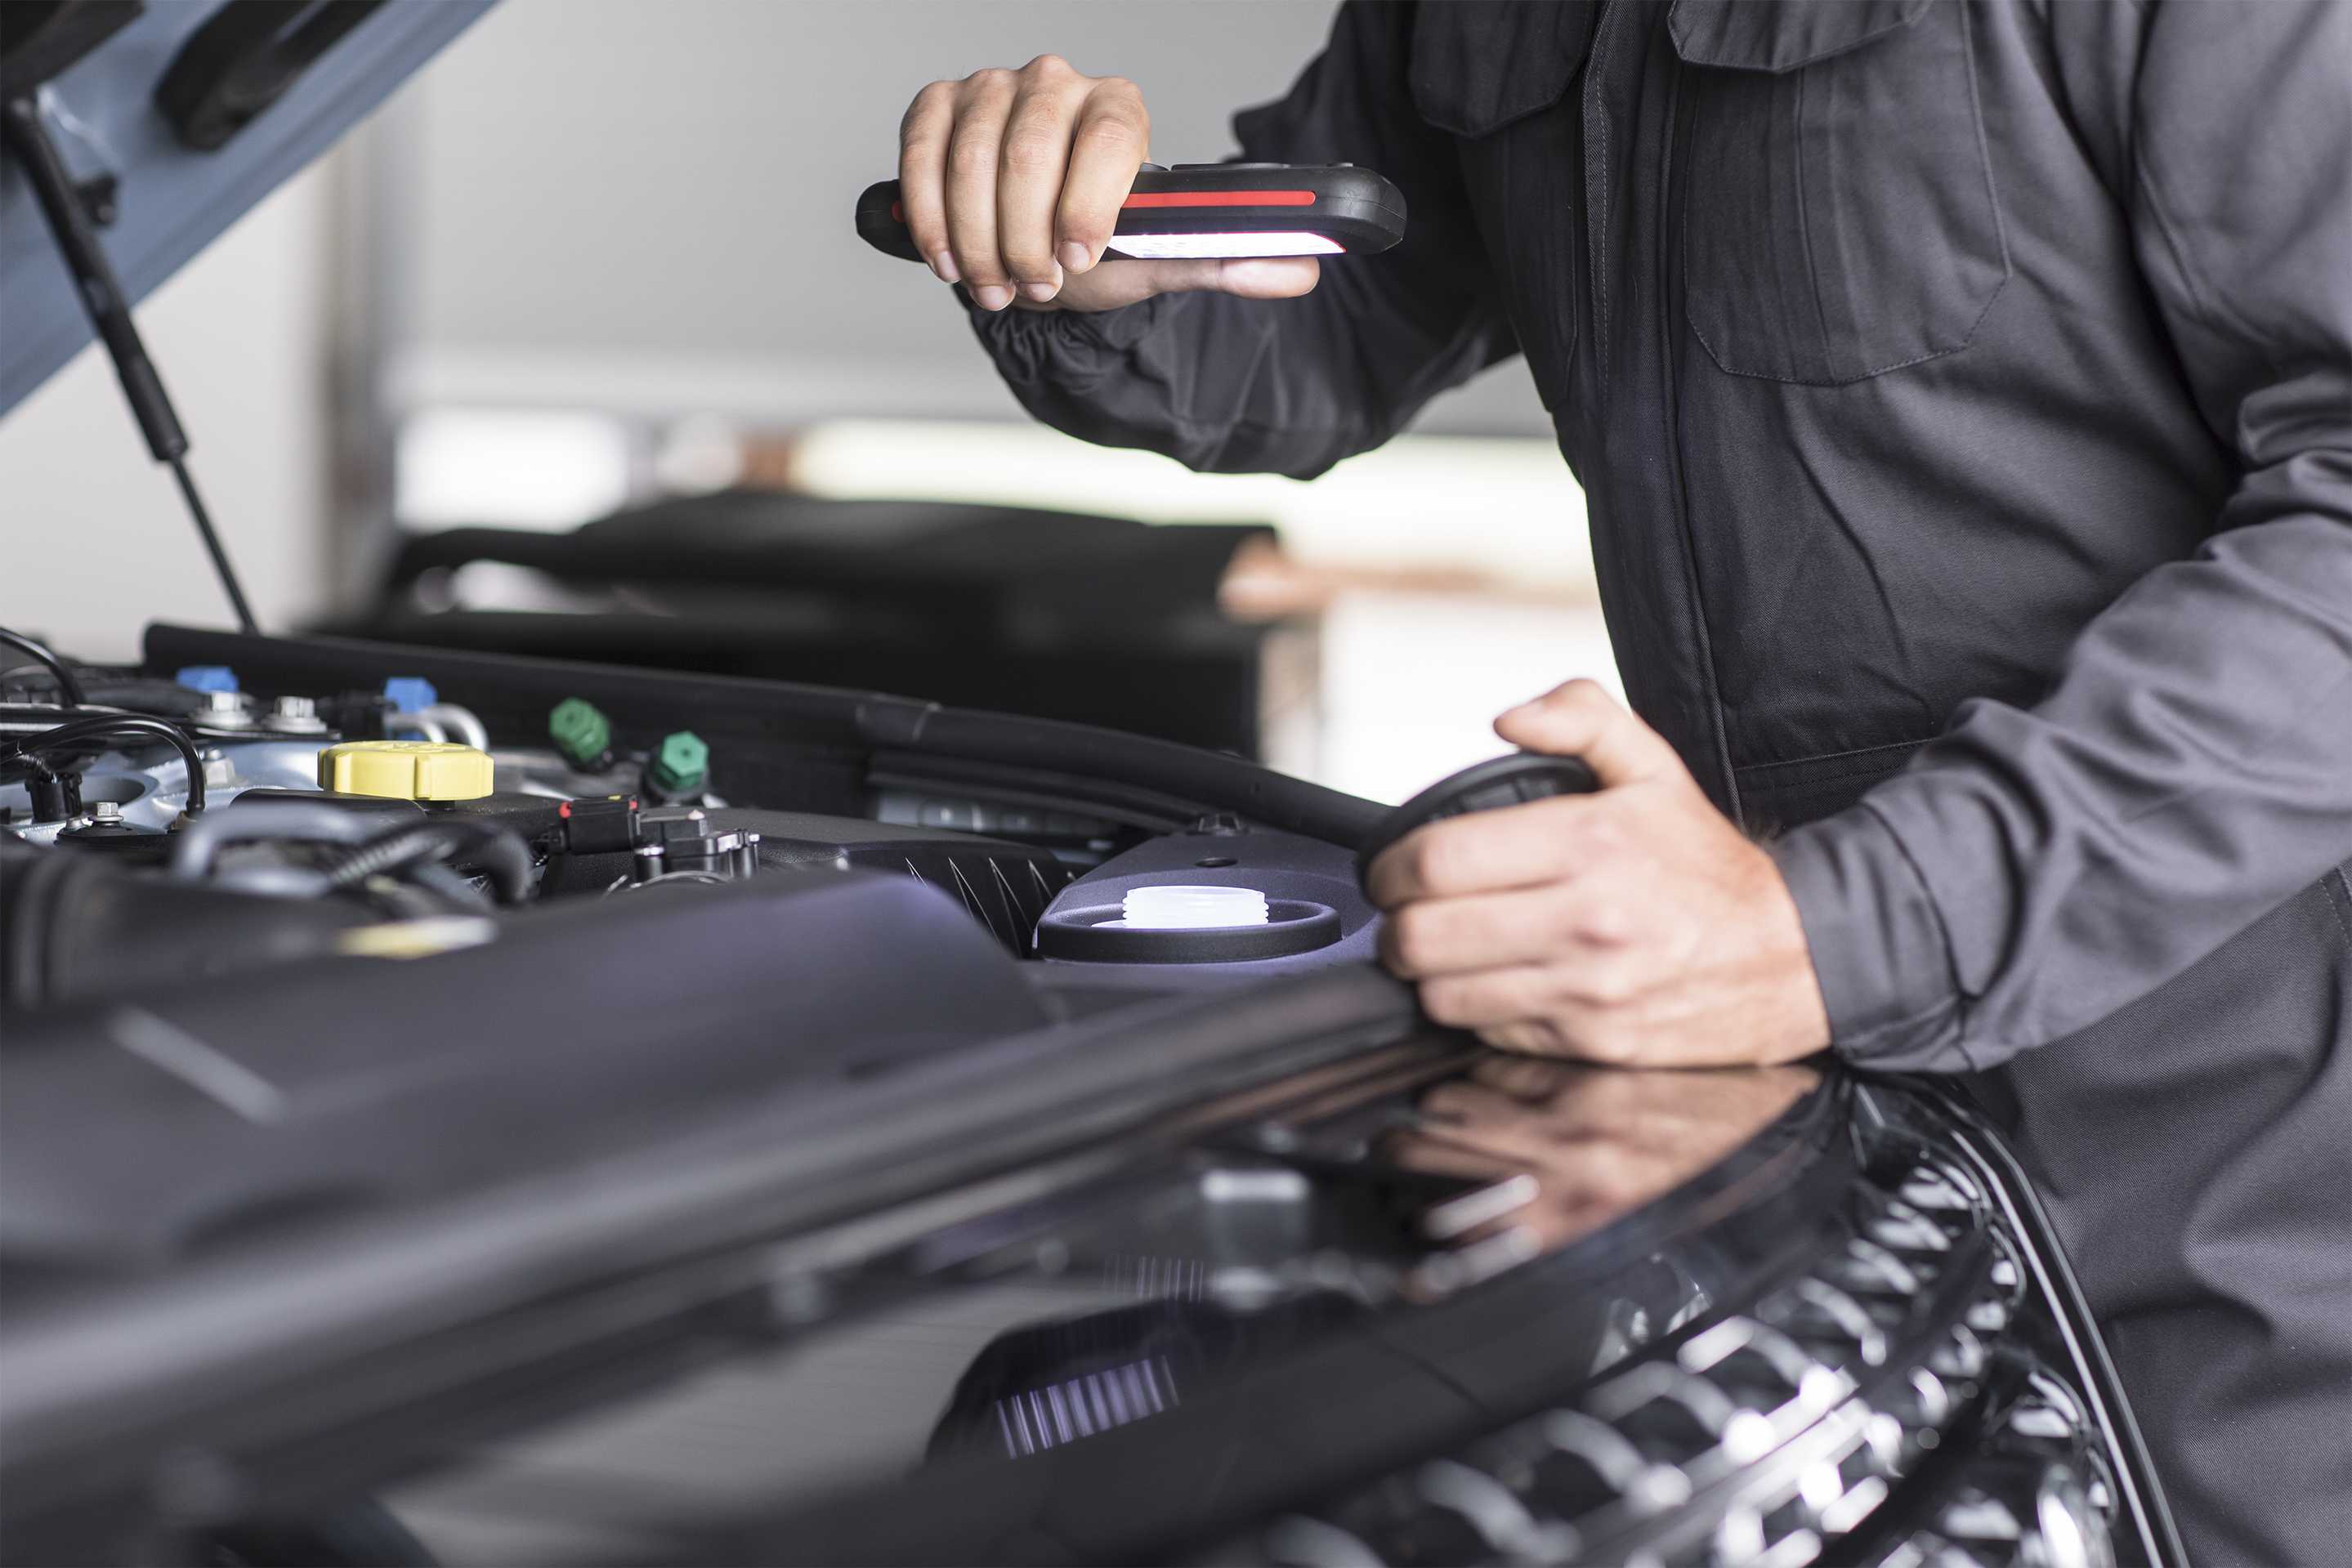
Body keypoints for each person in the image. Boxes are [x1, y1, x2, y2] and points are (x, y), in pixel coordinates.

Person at [890, 3, 2351, 1561]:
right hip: (1780, 1115)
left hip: (2237, 1126)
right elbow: (1334, 305)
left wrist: (1828, 933)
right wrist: (1087, 256)